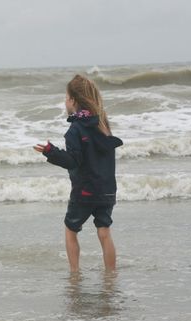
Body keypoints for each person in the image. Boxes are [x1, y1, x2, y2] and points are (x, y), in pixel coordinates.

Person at [33, 75, 123, 272]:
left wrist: (51, 152)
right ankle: (111, 276)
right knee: (104, 231)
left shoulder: (75, 129)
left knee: (70, 229)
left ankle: (74, 274)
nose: (65, 101)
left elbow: (73, 161)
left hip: (84, 191)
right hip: (107, 191)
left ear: (73, 100)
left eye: (66, 97)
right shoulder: (103, 124)